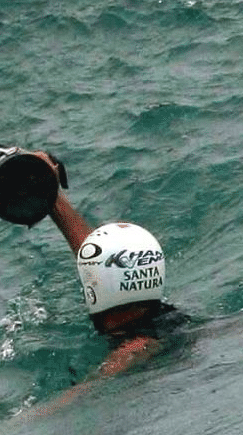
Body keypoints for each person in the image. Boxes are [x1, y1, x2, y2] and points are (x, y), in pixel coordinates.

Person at [22, 149, 181, 388]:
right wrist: (53, 197)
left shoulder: (135, 348)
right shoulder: (162, 319)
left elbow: (82, 395)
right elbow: (97, 258)